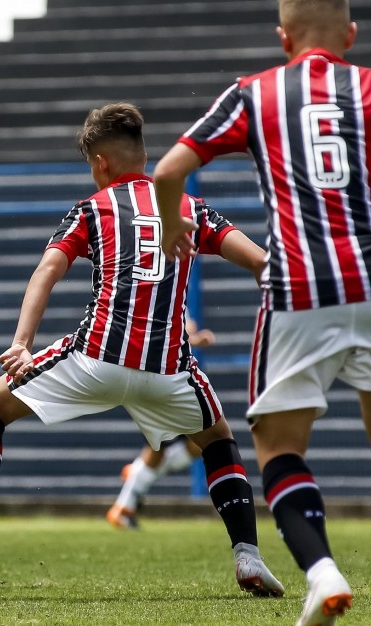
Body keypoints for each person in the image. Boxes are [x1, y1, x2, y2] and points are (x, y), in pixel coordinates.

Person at [0, 103, 285, 600]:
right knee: (219, 441)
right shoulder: (189, 207)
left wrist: (22, 344)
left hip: (96, 357)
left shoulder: (92, 209)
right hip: (168, 370)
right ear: (141, 153)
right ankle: (247, 554)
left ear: (100, 163)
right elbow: (258, 261)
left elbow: (47, 272)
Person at [154, 2, 370, 623]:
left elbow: (170, 170)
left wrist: (173, 227)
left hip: (298, 285)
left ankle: (323, 574)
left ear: (282, 37)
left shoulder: (255, 93)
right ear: (351, 35)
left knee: (277, 448)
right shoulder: (368, 88)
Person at [106, 317, 212, 529]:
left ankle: (136, 476)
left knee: (194, 445)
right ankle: (125, 504)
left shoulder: (174, 287)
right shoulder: (154, 290)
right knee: (163, 445)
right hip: (157, 379)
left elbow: (184, 325)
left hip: (168, 378)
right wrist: (196, 339)